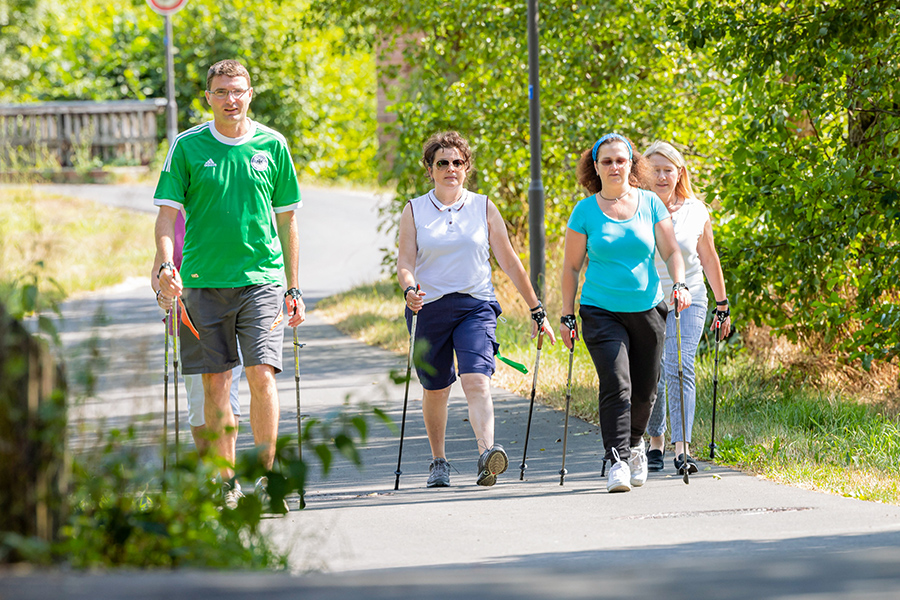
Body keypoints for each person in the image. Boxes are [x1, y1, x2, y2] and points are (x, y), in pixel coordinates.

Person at [154, 59, 305, 510]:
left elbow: (289, 221)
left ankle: (266, 477)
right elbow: (165, 216)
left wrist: (293, 288)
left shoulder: (272, 145)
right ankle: (225, 483)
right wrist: (166, 265)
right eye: (221, 92)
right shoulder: (187, 146)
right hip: (202, 284)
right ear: (208, 97)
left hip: (261, 281)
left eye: (237, 90)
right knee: (217, 384)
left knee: (262, 374)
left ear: (250, 93)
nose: (230, 99)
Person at [396, 131, 556, 488]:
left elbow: (510, 262)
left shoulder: (483, 206)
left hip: (475, 306)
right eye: (442, 163)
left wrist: (537, 310)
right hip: (429, 308)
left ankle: (487, 456)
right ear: (430, 169)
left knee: (476, 381)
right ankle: (439, 461)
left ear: (466, 168)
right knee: (435, 388)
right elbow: (405, 261)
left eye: (457, 163)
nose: (450, 169)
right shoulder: (414, 210)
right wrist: (409, 289)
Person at [559, 133, 690, 493]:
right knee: (617, 384)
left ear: (632, 164)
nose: (615, 166)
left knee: (646, 391)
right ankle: (616, 459)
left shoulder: (650, 204)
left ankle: (635, 446)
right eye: (607, 161)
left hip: (647, 309)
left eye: (621, 160)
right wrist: (567, 314)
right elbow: (571, 268)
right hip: (601, 310)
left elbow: (671, 252)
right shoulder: (584, 211)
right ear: (596, 168)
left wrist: (680, 284)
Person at [643, 141, 732, 474]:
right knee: (653, 371)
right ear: (644, 173)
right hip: (648, 300)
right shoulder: (636, 207)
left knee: (679, 364)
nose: (662, 176)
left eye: (669, 169)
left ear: (680, 173)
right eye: (655, 170)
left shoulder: (696, 210)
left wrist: (722, 304)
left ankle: (682, 449)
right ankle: (656, 440)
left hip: (689, 297)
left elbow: (708, 258)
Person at [151, 211, 243, 462]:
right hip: (186, 319)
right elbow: (156, 274)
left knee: (227, 396)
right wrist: (163, 293)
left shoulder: (223, 209)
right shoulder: (172, 220)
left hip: (225, 315)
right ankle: (210, 474)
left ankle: (227, 474)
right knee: (198, 405)